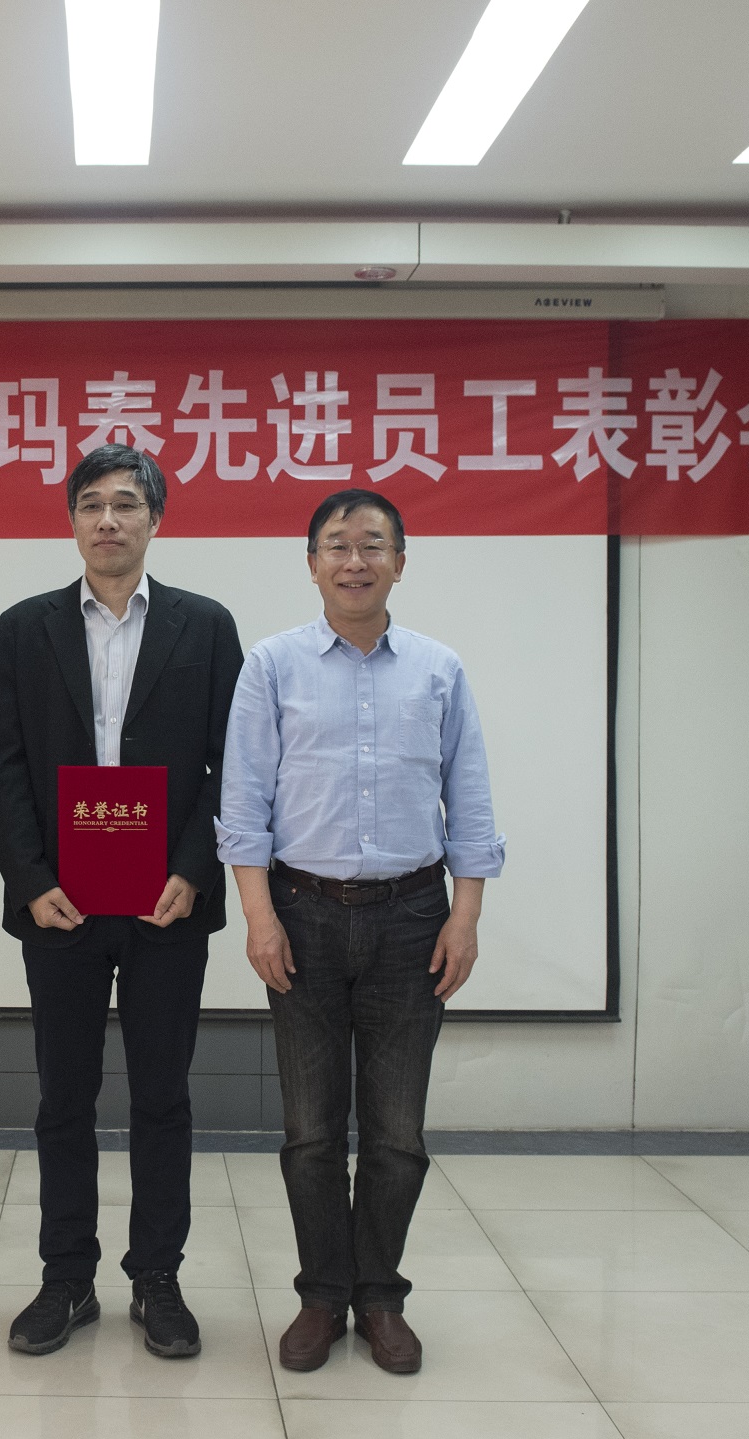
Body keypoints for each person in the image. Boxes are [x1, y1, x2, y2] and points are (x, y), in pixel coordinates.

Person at [217, 487, 504, 1377]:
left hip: (412, 917)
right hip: (300, 913)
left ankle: (379, 1296)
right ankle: (320, 1293)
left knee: (395, 1132)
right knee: (309, 1132)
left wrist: (465, 914)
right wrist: (258, 916)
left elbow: (470, 798)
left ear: (399, 563)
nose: (354, 560)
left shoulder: (438, 668)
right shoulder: (271, 664)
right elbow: (243, 802)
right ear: (311, 564)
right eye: (336, 545)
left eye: (372, 544)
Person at [0, 442, 243, 1359]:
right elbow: (4, 763)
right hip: (60, 903)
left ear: (154, 519)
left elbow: (231, 763)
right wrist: (30, 878)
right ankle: (66, 1277)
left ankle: (156, 1277)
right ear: (71, 520)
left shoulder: (205, 626)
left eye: (126, 503)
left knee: (162, 1095)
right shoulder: (25, 627)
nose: (107, 519)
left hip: (166, 899)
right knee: (64, 1095)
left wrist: (193, 867)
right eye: (90, 503)